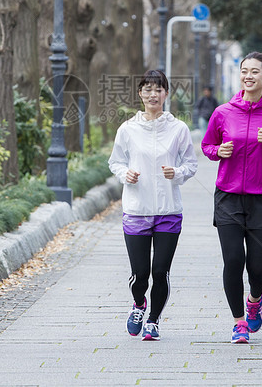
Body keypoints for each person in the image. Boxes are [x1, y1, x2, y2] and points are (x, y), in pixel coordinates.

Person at [200, 52, 262, 344]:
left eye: (255, 72)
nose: (248, 76)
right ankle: (239, 322)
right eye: (244, 71)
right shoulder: (223, 111)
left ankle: (255, 298)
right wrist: (219, 152)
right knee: (233, 260)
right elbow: (207, 145)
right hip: (228, 196)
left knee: (258, 268)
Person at [108, 69, 198, 341]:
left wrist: (177, 173)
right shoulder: (127, 129)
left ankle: (154, 321)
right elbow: (116, 162)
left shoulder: (178, 128)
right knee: (140, 274)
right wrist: (126, 174)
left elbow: (191, 164)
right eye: (147, 89)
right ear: (140, 94)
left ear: (166, 94)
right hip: (136, 209)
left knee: (160, 271)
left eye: (158, 89)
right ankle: (138, 304)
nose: (152, 94)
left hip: (169, 210)